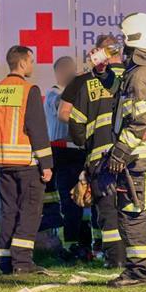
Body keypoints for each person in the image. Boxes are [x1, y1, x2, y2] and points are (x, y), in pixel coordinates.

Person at [106, 13, 146, 288]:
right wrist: (103, 74)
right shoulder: (138, 71)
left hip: (135, 156)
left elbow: (141, 121)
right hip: (136, 154)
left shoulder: (141, 74)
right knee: (130, 211)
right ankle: (135, 269)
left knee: (133, 213)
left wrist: (120, 151)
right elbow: (120, 97)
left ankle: (139, 272)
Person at [0, 45, 53, 274]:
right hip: (26, 162)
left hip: (3, 162)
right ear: (23, 63)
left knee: (9, 211)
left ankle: (5, 261)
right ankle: (22, 262)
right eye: (31, 61)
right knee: (30, 211)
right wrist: (47, 164)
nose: (32, 66)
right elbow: (37, 129)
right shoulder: (28, 90)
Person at [66, 34, 126, 267]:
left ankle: (115, 259)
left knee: (108, 210)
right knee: (132, 208)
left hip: (100, 158)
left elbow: (76, 125)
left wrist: (84, 142)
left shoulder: (89, 83)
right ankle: (136, 256)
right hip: (132, 155)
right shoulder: (133, 76)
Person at [46, 55, 90, 260]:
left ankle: (85, 242)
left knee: (83, 198)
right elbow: (62, 109)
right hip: (63, 153)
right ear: (60, 72)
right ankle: (70, 245)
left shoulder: (75, 92)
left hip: (78, 151)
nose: (72, 74)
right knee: (69, 199)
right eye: (69, 70)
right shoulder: (54, 93)